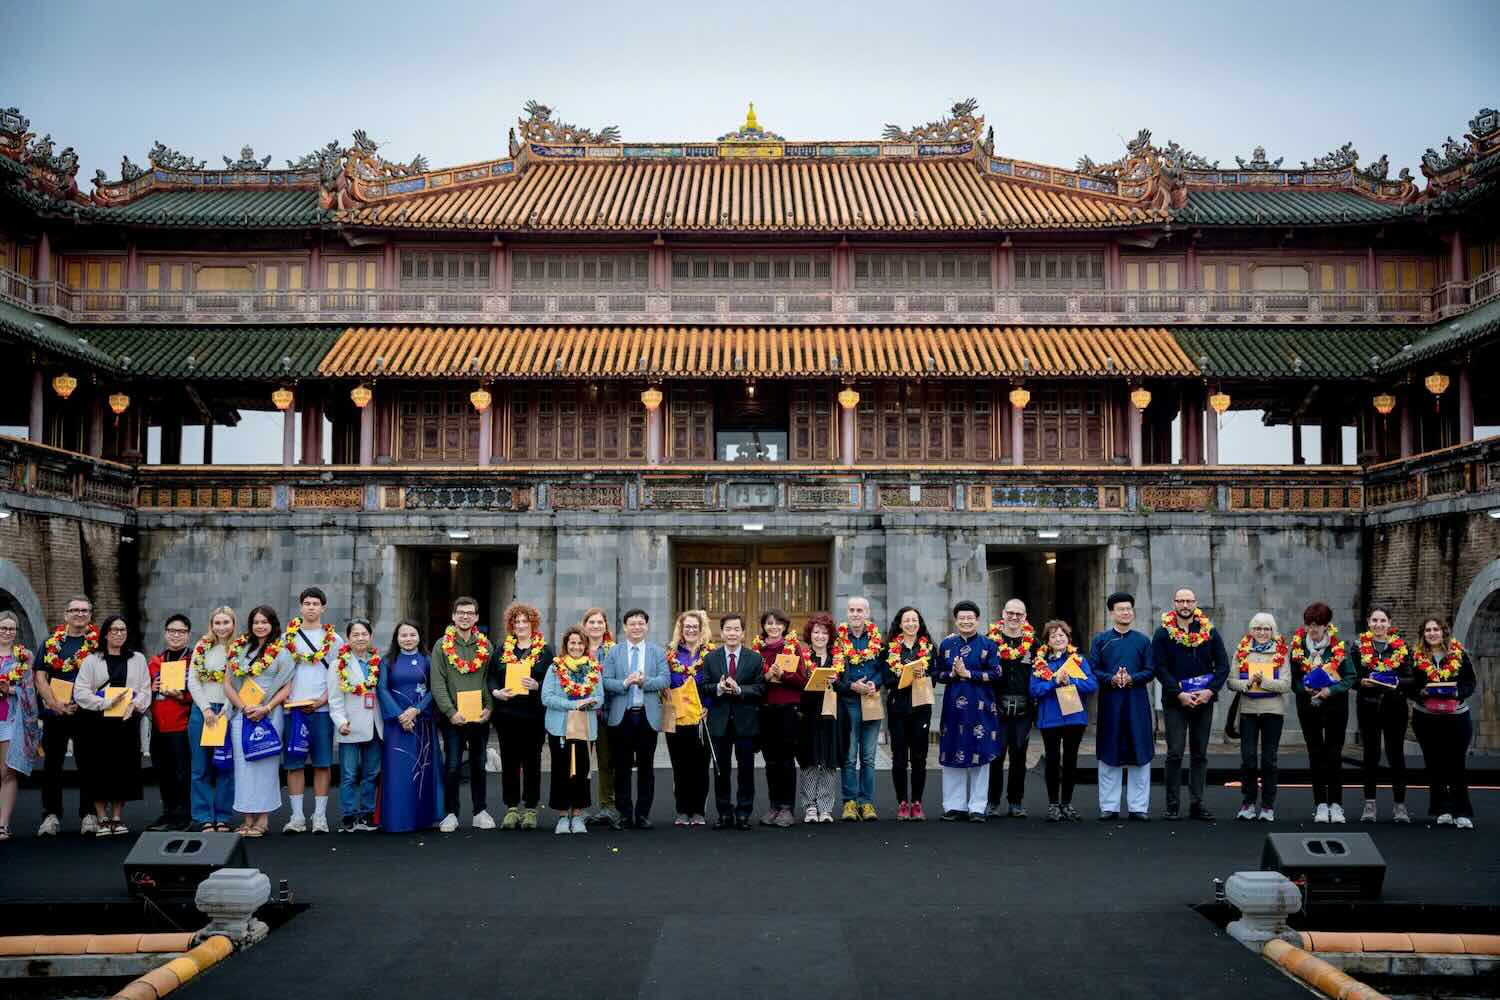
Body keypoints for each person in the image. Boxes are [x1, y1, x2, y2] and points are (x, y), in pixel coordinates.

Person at [1152, 588, 1229, 821]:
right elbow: (1159, 667)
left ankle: (1197, 803)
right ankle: (1172, 805)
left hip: (1203, 701)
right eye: (1181, 600)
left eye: (1189, 600)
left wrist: (1210, 691)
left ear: (1195, 603)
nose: (1185, 604)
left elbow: (1223, 665)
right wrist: (1178, 694)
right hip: (1176, 702)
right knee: (1174, 753)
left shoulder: (1210, 631)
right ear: (1174, 603)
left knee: (1199, 754)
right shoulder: (1163, 632)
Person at [72, 615, 150, 836]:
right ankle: (102, 817)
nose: (118, 634)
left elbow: (145, 689)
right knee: (98, 769)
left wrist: (134, 705)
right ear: (105, 634)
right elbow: (80, 692)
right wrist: (105, 702)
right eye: (114, 630)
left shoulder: (138, 659)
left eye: (123, 630)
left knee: (123, 769)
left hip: (126, 721)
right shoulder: (92, 660)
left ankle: (117, 817)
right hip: (97, 723)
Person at [277, 587, 343, 835]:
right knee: (294, 764)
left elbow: (339, 675)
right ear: (301, 607)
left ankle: (320, 816)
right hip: (292, 710)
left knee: (322, 763)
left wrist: (324, 700)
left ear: (323, 608)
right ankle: (296, 816)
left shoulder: (335, 640)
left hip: (322, 709)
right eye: (307, 603)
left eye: (316, 603)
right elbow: (281, 674)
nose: (311, 607)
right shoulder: (287, 638)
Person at [33, 595, 99, 836]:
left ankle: (89, 814)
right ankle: (51, 815)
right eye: (74, 610)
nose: (79, 614)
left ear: (90, 615)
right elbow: (40, 677)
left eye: (84, 610)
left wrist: (85, 702)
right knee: (52, 766)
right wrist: (56, 705)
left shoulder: (97, 644)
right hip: (55, 713)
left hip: (87, 713)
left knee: (88, 765)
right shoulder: (51, 643)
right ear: (66, 614)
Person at [430, 596, 495, 833]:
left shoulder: (485, 646)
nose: (465, 616)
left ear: (476, 617)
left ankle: (480, 811)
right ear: (453, 616)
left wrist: (489, 708)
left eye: (470, 613)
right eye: (461, 612)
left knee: (479, 764)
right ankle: (451, 813)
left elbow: (491, 679)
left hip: (479, 715)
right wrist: (450, 711)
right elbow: (438, 683)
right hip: (453, 717)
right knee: (453, 765)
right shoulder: (441, 645)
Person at [225, 606, 289, 837]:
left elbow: (287, 685)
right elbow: (228, 684)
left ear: (273, 624)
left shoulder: (282, 650)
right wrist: (243, 707)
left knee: (266, 765)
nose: (260, 626)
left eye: (265, 622)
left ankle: (263, 819)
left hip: (269, 714)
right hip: (242, 713)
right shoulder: (239, 649)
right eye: (256, 622)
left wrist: (266, 707)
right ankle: (247, 818)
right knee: (243, 766)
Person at [1090, 592, 1155, 821]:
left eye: (1129, 608)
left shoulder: (1143, 641)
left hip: (1137, 702)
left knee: (1140, 751)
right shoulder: (1101, 640)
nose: (1126, 612)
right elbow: (1093, 669)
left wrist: (1132, 679)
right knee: (1109, 752)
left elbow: (1150, 670)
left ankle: (1139, 807)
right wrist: (1111, 679)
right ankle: (1109, 806)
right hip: (1110, 703)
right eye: (1121, 609)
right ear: (1111, 613)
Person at [602, 608, 668, 830]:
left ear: (647, 627)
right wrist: (625, 683)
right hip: (621, 717)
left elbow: (664, 680)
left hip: (646, 716)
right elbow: (605, 682)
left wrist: (643, 682)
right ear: (624, 627)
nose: (637, 627)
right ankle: (624, 813)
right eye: (632, 623)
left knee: (646, 768)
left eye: (641, 623)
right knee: (621, 768)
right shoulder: (615, 652)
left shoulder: (657, 652)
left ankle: (642, 814)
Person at [1290, 603, 1355, 824]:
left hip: (1335, 707)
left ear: (1327, 626)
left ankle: (1336, 804)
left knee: (1334, 754)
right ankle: (1320, 804)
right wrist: (1304, 688)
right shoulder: (1298, 648)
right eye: (1309, 626)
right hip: (1309, 708)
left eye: (1316, 627)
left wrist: (1331, 690)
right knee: (1315, 754)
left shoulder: (1339, 648)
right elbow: (1294, 681)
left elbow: (1350, 678)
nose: (1312, 631)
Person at [487, 604, 550, 831]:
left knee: (532, 762)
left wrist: (538, 685)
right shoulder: (502, 648)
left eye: (525, 621)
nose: (521, 625)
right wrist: (496, 692)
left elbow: (554, 680)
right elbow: (491, 676)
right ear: (511, 624)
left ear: (533, 623)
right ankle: (512, 808)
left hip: (533, 715)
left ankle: (531, 808)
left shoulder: (545, 650)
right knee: (510, 762)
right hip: (507, 715)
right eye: (517, 621)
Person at [377, 620, 444, 834]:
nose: (408, 639)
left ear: (419, 637)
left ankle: (422, 819)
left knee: (421, 770)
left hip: (421, 724)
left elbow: (435, 689)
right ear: (397, 638)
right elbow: (382, 689)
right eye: (403, 635)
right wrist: (400, 716)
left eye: (412, 635)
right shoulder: (387, 661)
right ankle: (397, 820)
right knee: (397, 772)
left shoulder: (427, 660)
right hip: (396, 727)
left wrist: (415, 710)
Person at [1409, 618, 1477, 829]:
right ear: (1423, 634)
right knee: (1435, 764)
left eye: (1435, 629)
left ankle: (1462, 811)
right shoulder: (1416, 658)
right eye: (1428, 630)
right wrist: (1421, 693)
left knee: (1456, 763)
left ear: (1443, 632)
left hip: (1456, 716)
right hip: (1426, 717)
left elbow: (1469, 682)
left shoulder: (1458, 654)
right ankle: (1442, 808)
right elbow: (1410, 684)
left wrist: (1458, 693)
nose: (1432, 633)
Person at [698, 613, 764, 829]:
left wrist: (739, 689)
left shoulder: (754, 658)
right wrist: (718, 688)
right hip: (719, 722)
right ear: (722, 632)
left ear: (743, 633)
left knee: (746, 770)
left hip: (745, 723)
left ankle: (744, 812)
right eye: (728, 629)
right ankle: (724, 812)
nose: (732, 633)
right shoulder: (711, 658)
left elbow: (760, 689)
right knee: (721, 770)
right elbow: (704, 685)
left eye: (737, 629)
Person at [936, 600, 1000, 821]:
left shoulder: (988, 645)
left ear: (977, 620)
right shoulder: (946, 645)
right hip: (954, 708)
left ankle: (977, 807)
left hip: (981, 708)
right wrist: (953, 675)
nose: (965, 621)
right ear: (955, 620)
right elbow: (937, 674)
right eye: (961, 618)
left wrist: (968, 674)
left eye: (969, 618)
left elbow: (995, 674)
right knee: (953, 752)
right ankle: (954, 806)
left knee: (980, 756)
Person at [1030, 620, 1097, 822]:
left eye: (1062, 635)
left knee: (1070, 760)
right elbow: (1034, 690)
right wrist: (1054, 682)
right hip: (1050, 717)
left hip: (1074, 717)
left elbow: (1092, 684)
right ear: (1047, 641)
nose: (1058, 639)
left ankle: (1066, 803)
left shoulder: (1078, 660)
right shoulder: (1040, 662)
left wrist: (1072, 681)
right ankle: (1053, 804)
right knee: (1051, 760)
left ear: (1068, 638)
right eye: (1053, 636)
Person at [1226, 613, 1290, 821]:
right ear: (1251, 630)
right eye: (1257, 629)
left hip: (1273, 711)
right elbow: (1230, 681)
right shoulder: (1242, 650)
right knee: (1249, 759)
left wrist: (1264, 682)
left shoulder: (1281, 651)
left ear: (1273, 631)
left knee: (1269, 760)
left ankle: (1268, 806)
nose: (1262, 633)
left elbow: (1286, 685)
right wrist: (1246, 684)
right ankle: (1248, 802)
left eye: (1266, 629)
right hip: (1248, 711)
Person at [1355, 606, 1415, 824]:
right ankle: (1369, 804)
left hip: (1394, 708)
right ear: (1369, 623)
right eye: (1374, 620)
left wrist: (1396, 682)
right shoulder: (1358, 647)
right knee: (1370, 756)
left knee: (1396, 756)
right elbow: (1350, 676)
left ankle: (1400, 805)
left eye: (1382, 621)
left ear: (1390, 623)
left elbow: (1411, 678)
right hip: (1368, 707)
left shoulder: (1402, 647)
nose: (1378, 625)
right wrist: (1360, 682)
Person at [541, 626, 603, 833]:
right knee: (561, 770)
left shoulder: (593, 668)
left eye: (579, 643)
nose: (576, 647)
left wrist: (588, 702)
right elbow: (547, 697)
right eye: (572, 643)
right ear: (566, 645)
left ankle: (577, 815)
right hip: (560, 728)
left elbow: (600, 698)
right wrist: (573, 705)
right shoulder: (555, 668)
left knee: (582, 771)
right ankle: (561, 816)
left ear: (585, 645)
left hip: (585, 728)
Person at [752, 609, 808, 827]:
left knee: (786, 760)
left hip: (787, 710)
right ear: (764, 626)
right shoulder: (758, 651)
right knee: (770, 761)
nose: (773, 627)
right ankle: (774, 805)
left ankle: (787, 808)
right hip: (766, 710)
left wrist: (782, 674)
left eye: (778, 624)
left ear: (785, 626)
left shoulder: (793, 649)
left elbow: (802, 681)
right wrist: (767, 676)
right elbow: (754, 682)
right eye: (769, 623)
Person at [328, 618, 383, 833]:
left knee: (371, 773)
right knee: (349, 774)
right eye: (355, 634)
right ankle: (349, 815)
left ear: (370, 637)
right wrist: (340, 722)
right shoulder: (338, 664)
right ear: (348, 638)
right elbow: (334, 698)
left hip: (374, 726)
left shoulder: (377, 662)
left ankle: (368, 814)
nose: (360, 638)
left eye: (364, 634)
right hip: (350, 725)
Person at [185, 610, 237, 832]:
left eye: (226, 622)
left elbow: (238, 682)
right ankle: (204, 816)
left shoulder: (239, 648)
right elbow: (193, 681)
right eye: (217, 622)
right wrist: (205, 708)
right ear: (211, 624)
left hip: (226, 710)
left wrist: (226, 709)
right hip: (202, 711)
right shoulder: (202, 646)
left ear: (233, 624)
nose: (221, 627)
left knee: (225, 766)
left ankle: (224, 816)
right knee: (200, 767)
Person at [833, 596, 883, 821]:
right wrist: (851, 686)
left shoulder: (878, 639)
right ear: (847, 613)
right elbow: (835, 671)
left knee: (869, 757)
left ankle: (867, 802)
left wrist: (875, 682)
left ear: (867, 613)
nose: (855, 614)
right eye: (851, 610)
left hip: (871, 700)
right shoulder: (838, 639)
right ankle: (850, 802)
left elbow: (885, 668)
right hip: (849, 703)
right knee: (850, 756)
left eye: (859, 610)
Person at [986, 598, 1036, 818]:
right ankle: (993, 801)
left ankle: (1016, 801)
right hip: (997, 706)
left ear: (1025, 617)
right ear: (1003, 614)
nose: (1014, 617)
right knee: (995, 756)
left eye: (1019, 614)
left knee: (1019, 755)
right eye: (1010, 613)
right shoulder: (990, 641)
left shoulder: (1033, 643)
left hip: (1024, 708)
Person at [145, 613, 195, 831]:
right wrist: (150, 689)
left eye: (181, 632)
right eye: (172, 631)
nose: (176, 635)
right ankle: (168, 813)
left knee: (182, 773)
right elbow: (142, 692)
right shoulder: (156, 661)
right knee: (163, 772)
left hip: (182, 726)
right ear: (165, 634)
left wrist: (180, 695)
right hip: (158, 725)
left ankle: (183, 815)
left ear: (188, 635)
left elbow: (201, 692)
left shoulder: (194, 660)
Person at [664, 610, 714, 826]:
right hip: (677, 718)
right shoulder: (671, 655)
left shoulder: (711, 655)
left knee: (700, 766)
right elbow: (665, 683)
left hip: (701, 718)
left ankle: (698, 811)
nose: (691, 630)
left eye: (695, 626)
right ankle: (682, 810)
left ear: (701, 629)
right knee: (680, 765)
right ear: (681, 631)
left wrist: (708, 706)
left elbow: (714, 683)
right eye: (687, 627)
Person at [884, 606, 934, 821]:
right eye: (907, 620)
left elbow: (937, 673)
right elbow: (886, 680)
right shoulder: (890, 649)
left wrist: (925, 673)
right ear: (900, 624)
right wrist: (905, 676)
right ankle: (902, 802)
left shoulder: (930, 648)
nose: (911, 624)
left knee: (920, 757)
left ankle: (917, 802)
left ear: (919, 623)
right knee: (899, 758)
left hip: (921, 708)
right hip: (898, 709)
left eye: (914, 620)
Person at [0, 613, 43, 841]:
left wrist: (10, 690)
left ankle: (3, 824)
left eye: (11, 628)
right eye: (3, 627)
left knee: (7, 772)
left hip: (9, 721)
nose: (7, 632)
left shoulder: (23, 658)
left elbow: (29, 690)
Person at [796, 613, 840, 824]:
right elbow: (796, 685)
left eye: (824, 632)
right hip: (808, 714)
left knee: (829, 761)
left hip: (831, 714)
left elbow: (846, 685)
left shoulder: (838, 658)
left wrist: (836, 682)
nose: (820, 636)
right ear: (810, 634)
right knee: (809, 760)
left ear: (830, 635)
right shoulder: (802, 658)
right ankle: (810, 807)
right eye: (816, 632)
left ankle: (825, 808)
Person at [580, 608, 620, 828]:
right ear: (584, 625)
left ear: (605, 626)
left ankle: (608, 805)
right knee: (582, 762)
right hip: (581, 714)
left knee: (606, 762)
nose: (595, 626)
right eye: (591, 622)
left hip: (606, 714)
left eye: (599, 622)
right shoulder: (576, 647)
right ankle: (581, 806)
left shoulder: (614, 651)